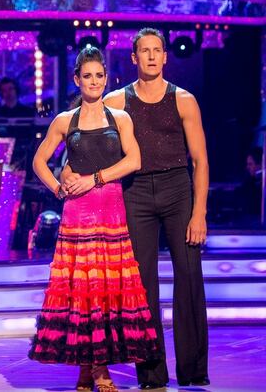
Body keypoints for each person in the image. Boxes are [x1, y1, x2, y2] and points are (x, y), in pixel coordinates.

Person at [65, 28, 210, 389]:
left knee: (189, 276)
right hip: (136, 193)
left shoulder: (184, 100)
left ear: (164, 57)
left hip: (178, 190)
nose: (150, 56)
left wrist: (199, 212)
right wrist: (68, 171)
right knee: (141, 286)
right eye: (143, 51)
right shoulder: (116, 100)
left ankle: (193, 370)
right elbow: (82, 138)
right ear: (133, 58)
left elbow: (200, 160)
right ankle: (151, 373)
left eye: (156, 50)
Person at [28, 47, 161, 392]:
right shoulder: (64, 120)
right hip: (78, 215)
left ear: (106, 78)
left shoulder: (120, 118)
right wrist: (59, 188)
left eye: (99, 75)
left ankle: (96, 370)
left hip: (111, 211)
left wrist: (96, 178)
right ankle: (91, 370)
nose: (94, 82)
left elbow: (134, 160)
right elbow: (39, 161)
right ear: (77, 80)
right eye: (87, 76)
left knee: (105, 290)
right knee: (83, 292)